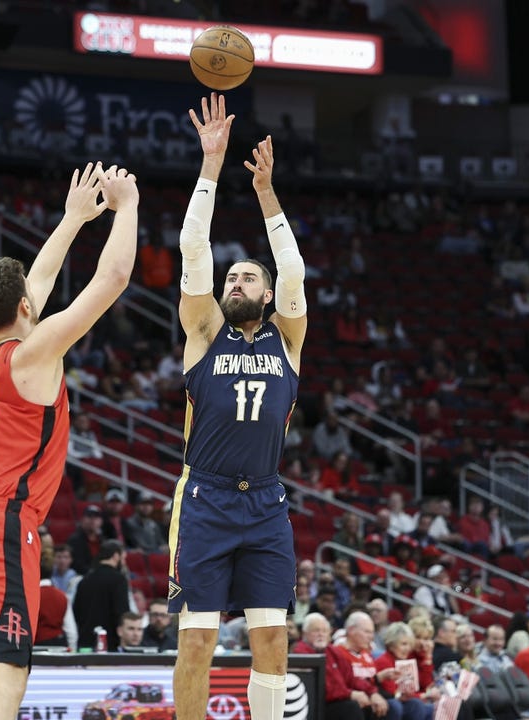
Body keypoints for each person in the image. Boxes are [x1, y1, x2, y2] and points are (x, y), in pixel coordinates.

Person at [0, 160, 139, 712]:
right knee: (4, 681)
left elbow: (35, 286)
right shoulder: (33, 354)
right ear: (24, 307)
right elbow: (112, 281)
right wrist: (128, 206)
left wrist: (71, 221)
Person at [168, 93, 308, 720]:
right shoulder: (202, 330)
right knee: (197, 642)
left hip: (267, 501)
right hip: (207, 498)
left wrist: (266, 193)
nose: (235, 283)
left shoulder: (288, 336)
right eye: (232, 279)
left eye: (248, 277)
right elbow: (193, 245)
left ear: (268, 292)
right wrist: (212, 165)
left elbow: (296, 269)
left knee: (273, 639)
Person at [72, 540, 131, 651]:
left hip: (85, 642)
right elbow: (122, 612)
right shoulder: (119, 580)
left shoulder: (84, 580)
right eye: (123, 558)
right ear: (116, 556)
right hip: (110, 643)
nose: (124, 562)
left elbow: (76, 612)